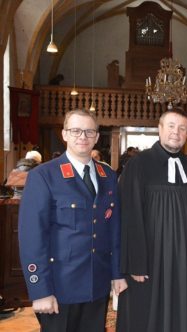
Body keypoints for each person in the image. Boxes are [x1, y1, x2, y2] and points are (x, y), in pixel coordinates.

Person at [18, 109, 127, 331]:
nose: (83, 137)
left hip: (96, 285)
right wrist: (40, 291)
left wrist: (116, 273)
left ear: (97, 137)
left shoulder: (108, 177)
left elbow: (113, 230)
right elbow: (32, 238)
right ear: (64, 134)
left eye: (89, 131)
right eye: (75, 130)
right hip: (59, 289)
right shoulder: (44, 176)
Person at [116, 108, 187, 332]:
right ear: (160, 129)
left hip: (184, 260)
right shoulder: (138, 165)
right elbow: (129, 216)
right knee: (145, 317)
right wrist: (135, 262)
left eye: (182, 128)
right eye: (171, 126)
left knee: (180, 310)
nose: (176, 132)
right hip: (150, 261)